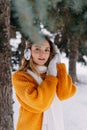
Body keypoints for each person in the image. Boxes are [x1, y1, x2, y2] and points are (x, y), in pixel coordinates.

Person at [12, 36, 76, 130]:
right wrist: (51, 77)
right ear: (28, 52)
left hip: (55, 125)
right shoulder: (20, 77)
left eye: (47, 50)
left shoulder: (52, 72)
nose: (42, 54)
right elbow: (40, 104)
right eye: (37, 49)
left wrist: (59, 66)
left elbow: (64, 94)